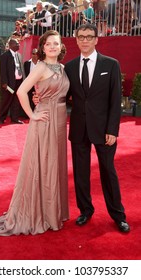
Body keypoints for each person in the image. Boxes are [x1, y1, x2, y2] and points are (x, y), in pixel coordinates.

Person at [0, 30, 70, 236]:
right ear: (43, 47)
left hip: (60, 121)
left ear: (61, 46)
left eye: (56, 43)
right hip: (45, 120)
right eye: (49, 44)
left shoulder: (63, 68)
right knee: (44, 164)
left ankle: (52, 210)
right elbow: (21, 91)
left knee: (54, 163)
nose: (53, 47)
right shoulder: (41, 67)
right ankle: (41, 212)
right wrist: (32, 114)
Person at [64, 23, 130, 233]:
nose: (84, 40)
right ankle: (85, 210)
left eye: (89, 36)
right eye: (81, 36)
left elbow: (115, 100)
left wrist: (113, 130)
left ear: (96, 39)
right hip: (79, 128)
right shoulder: (70, 67)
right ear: (76, 39)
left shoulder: (111, 64)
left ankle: (118, 215)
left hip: (104, 130)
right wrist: (42, 98)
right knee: (81, 173)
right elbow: (63, 97)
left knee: (108, 171)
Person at [0, 38, 25, 124]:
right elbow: (3, 71)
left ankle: (15, 119)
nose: (18, 45)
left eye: (18, 43)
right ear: (10, 45)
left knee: (16, 101)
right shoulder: (5, 56)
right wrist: (4, 83)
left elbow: (21, 69)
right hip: (9, 84)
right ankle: (2, 118)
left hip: (18, 82)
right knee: (6, 101)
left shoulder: (19, 55)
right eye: (16, 43)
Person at [23, 48, 39, 113]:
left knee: (38, 100)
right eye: (33, 54)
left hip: (38, 85)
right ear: (31, 54)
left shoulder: (42, 63)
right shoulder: (26, 63)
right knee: (29, 99)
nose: (35, 55)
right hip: (29, 84)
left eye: (36, 54)